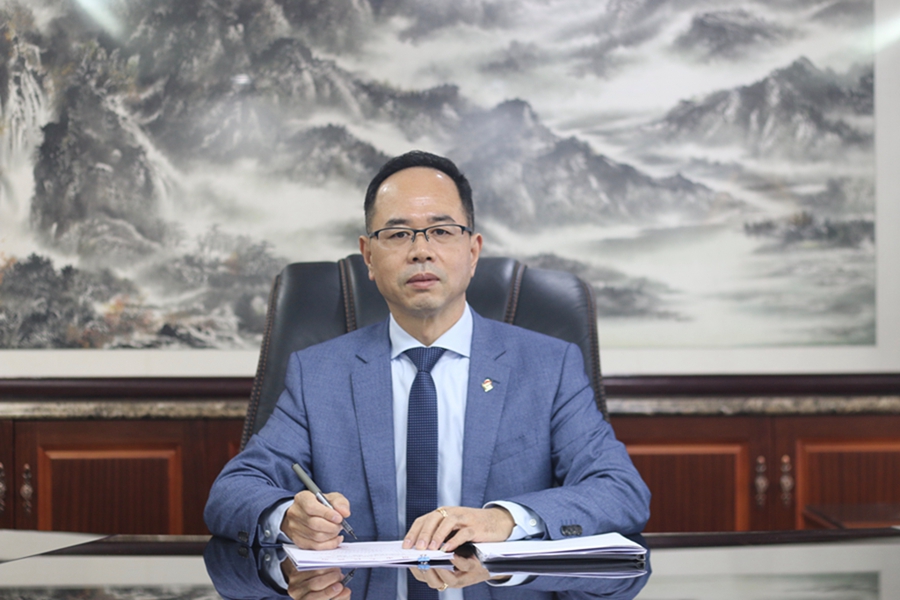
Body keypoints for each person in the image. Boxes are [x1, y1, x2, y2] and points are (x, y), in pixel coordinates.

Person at [204, 150, 650, 598]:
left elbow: (620, 490)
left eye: (441, 231)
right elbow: (233, 490)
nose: (421, 250)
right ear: (368, 257)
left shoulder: (548, 367)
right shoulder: (319, 373)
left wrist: (504, 519)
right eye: (398, 234)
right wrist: (287, 516)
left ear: (472, 251)